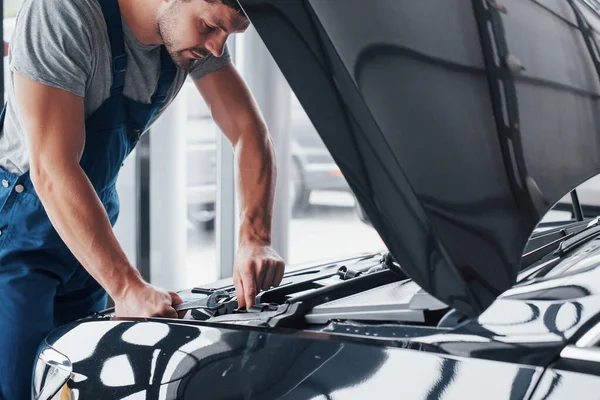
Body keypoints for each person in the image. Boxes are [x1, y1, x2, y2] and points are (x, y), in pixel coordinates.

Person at [0, 0, 286, 397]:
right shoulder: (64, 13)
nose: (218, 48)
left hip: (87, 233)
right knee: (19, 387)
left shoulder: (188, 42)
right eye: (209, 26)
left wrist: (255, 237)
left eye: (229, 34)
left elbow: (248, 132)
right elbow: (51, 170)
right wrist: (127, 287)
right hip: (17, 236)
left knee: (79, 386)